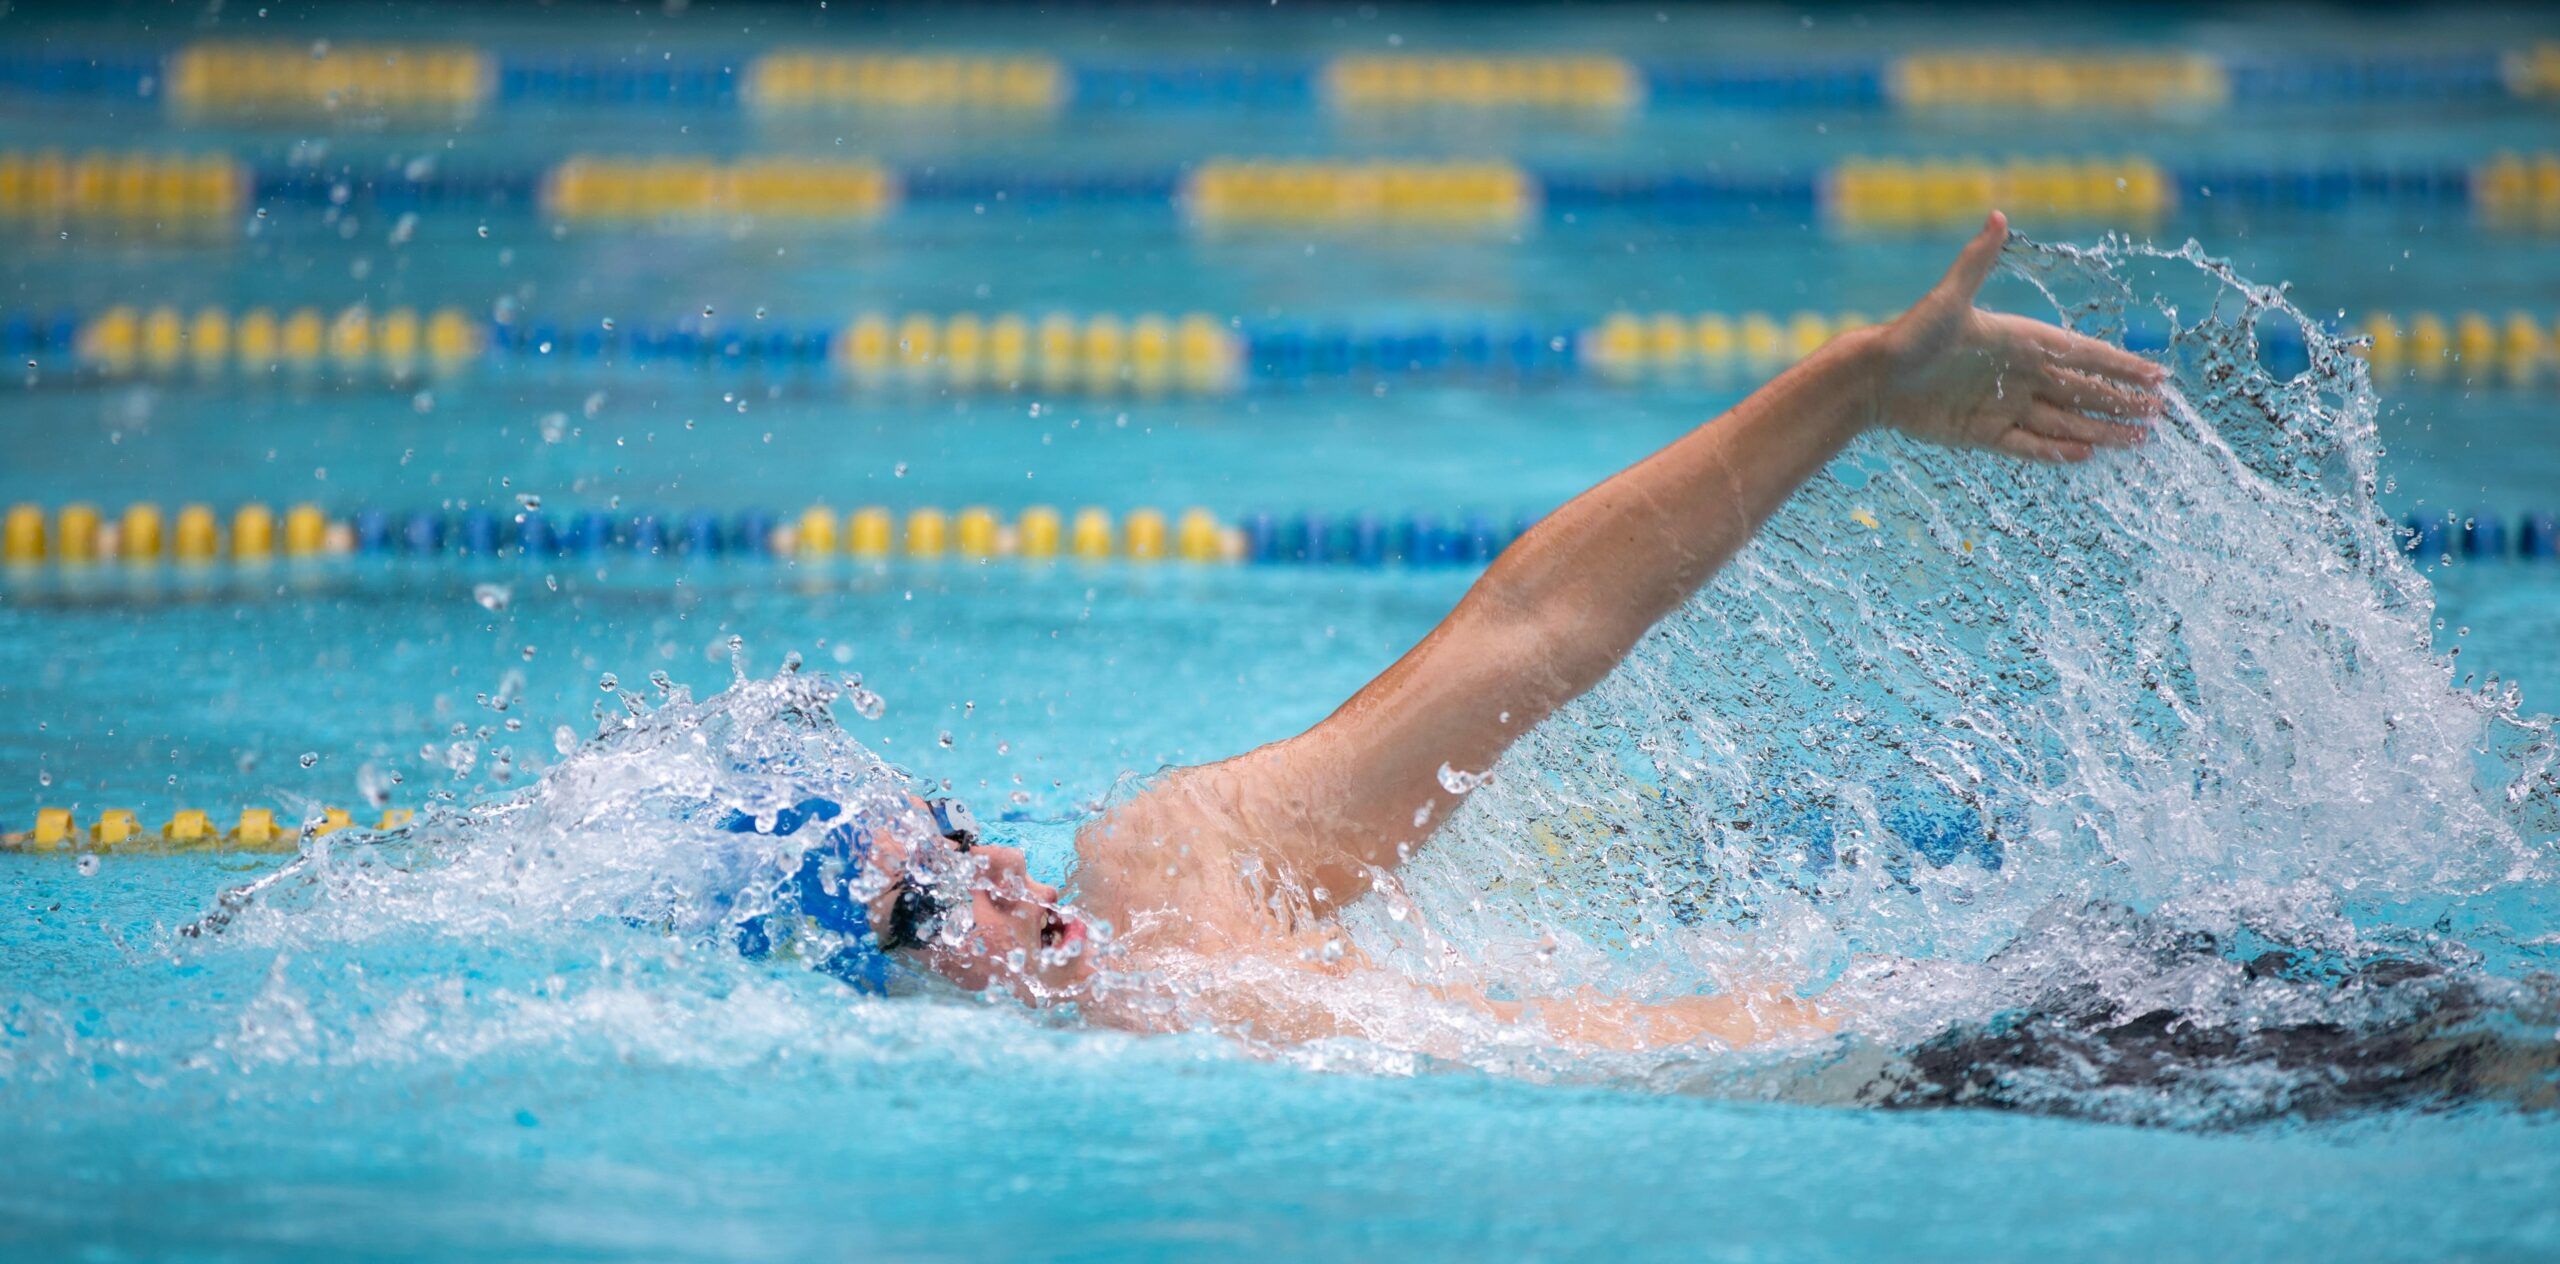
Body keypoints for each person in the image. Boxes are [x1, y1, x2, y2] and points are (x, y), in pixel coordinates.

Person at [779, 214, 2165, 1049]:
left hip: (1997, 1034)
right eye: (925, 903)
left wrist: (1852, 389)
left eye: (958, 836)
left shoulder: (1166, 876)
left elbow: (1528, 631)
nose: (1003, 871)